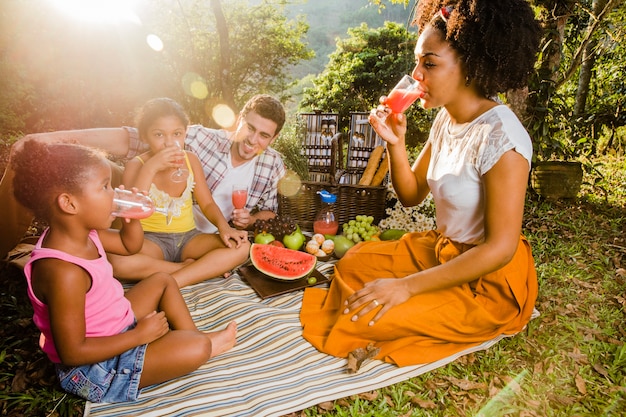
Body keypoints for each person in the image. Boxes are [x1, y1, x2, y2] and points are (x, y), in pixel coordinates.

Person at [300, 0, 542, 367]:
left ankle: (434, 306)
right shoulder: (445, 119)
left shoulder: (502, 137)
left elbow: (499, 249)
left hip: (485, 277)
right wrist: (395, 142)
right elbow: (412, 194)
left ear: (471, 67)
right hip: (441, 251)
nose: (417, 75)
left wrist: (406, 286)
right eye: (418, 62)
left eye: (429, 63)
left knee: (368, 315)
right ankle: (412, 294)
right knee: (353, 262)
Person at [12, 139, 237, 403]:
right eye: (104, 187)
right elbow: (73, 352)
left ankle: (195, 337)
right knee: (197, 349)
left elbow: (129, 245)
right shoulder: (63, 271)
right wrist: (139, 335)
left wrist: (132, 219)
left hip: (113, 324)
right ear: (69, 204)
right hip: (95, 369)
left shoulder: (82, 233)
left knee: (162, 281)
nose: (114, 193)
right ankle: (201, 345)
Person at [0, 94, 286, 261]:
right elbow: (135, 138)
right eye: (249, 128)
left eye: (264, 136)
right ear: (239, 121)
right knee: (89, 169)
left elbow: (270, 213)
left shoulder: (272, 165)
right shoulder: (198, 137)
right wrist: (51, 141)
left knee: (239, 249)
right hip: (145, 213)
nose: (252, 140)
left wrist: (251, 219)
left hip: (196, 235)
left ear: (273, 138)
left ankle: (62, 240)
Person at [107, 98, 250, 287]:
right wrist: (151, 168)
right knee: (116, 263)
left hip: (188, 238)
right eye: (159, 135)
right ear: (144, 136)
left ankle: (173, 280)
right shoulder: (136, 165)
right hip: (150, 240)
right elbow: (132, 212)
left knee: (242, 247)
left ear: (185, 133)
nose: (169, 143)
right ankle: (192, 269)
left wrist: (225, 228)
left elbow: (207, 204)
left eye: (177, 134)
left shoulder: (190, 160)